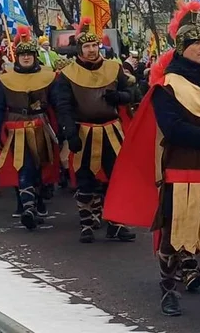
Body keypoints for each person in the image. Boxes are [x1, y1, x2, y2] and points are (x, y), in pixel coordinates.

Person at [104, 0, 200, 325]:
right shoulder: (167, 87)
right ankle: (169, 290)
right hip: (183, 176)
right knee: (175, 241)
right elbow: (174, 129)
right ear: (182, 47)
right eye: (195, 43)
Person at [52, 18, 137, 243]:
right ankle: (87, 223)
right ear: (79, 50)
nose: (91, 50)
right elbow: (64, 106)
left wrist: (119, 97)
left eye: (94, 46)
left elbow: (131, 94)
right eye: (87, 47)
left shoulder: (113, 68)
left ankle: (116, 224)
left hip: (111, 130)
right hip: (83, 131)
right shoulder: (67, 75)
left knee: (115, 178)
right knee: (85, 179)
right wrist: (70, 133)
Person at [0, 27, 60, 230]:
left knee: (40, 168)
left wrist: (63, 129)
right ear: (17, 57)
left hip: (41, 127)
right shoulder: (5, 80)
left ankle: (36, 203)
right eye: (22, 54)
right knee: (24, 166)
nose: (26, 57)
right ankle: (27, 207)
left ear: (35, 57)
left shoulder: (48, 77)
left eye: (30, 54)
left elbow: (57, 104)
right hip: (16, 128)